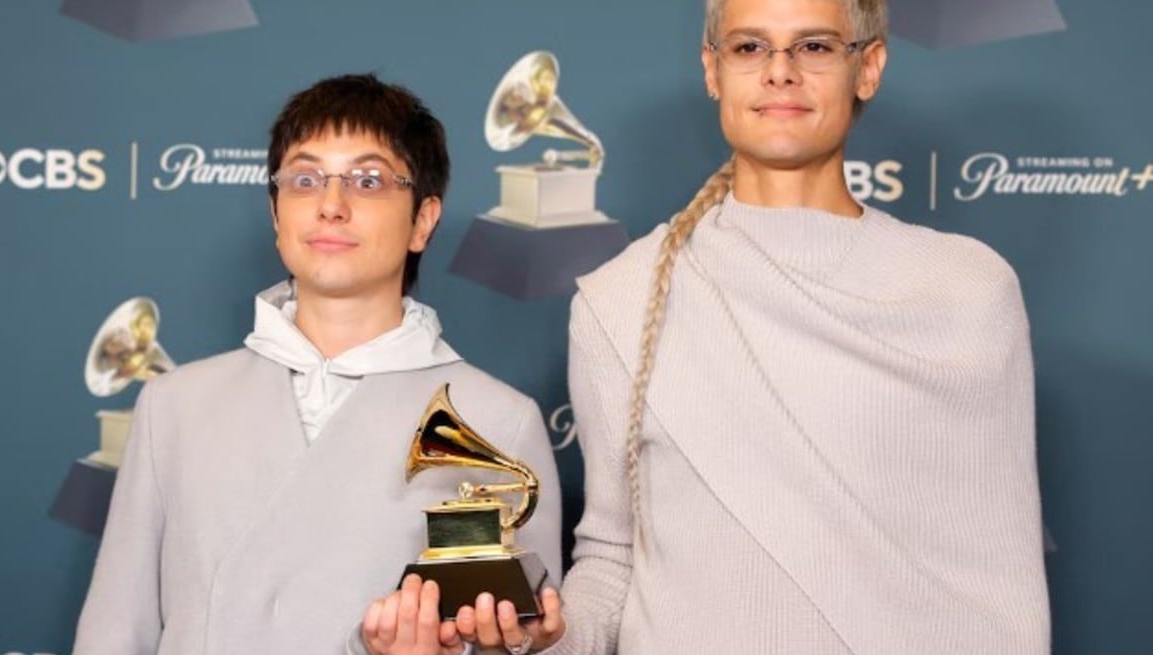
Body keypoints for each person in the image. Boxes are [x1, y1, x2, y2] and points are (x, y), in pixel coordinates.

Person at [379, 0, 1051, 653]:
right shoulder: (621, 299)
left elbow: (1003, 575)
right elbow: (612, 560)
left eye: (815, 46)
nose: (780, 71)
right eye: (750, 46)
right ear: (713, 68)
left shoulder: (966, 291)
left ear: (868, 67)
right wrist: (540, 636)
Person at [71, 73, 562, 655]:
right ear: (276, 213)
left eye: (368, 181)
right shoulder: (173, 405)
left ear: (423, 220)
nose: (331, 206)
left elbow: (519, 636)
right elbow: (113, 633)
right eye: (304, 180)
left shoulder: (501, 421)